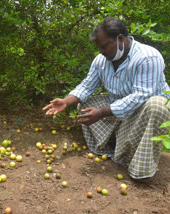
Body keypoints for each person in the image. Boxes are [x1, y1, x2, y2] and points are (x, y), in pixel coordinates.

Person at [43, 17, 170, 182]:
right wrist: (65, 102)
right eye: (99, 47)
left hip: (144, 110)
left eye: (104, 46)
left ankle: (141, 171)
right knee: (85, 104)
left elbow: (141, 96)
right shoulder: (101, 60)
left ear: (120, 38)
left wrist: (102, 113)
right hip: (118, 105)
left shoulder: (148, 57)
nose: (101, 51)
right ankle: (117, 146)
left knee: (157, 105)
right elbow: (87, 86)